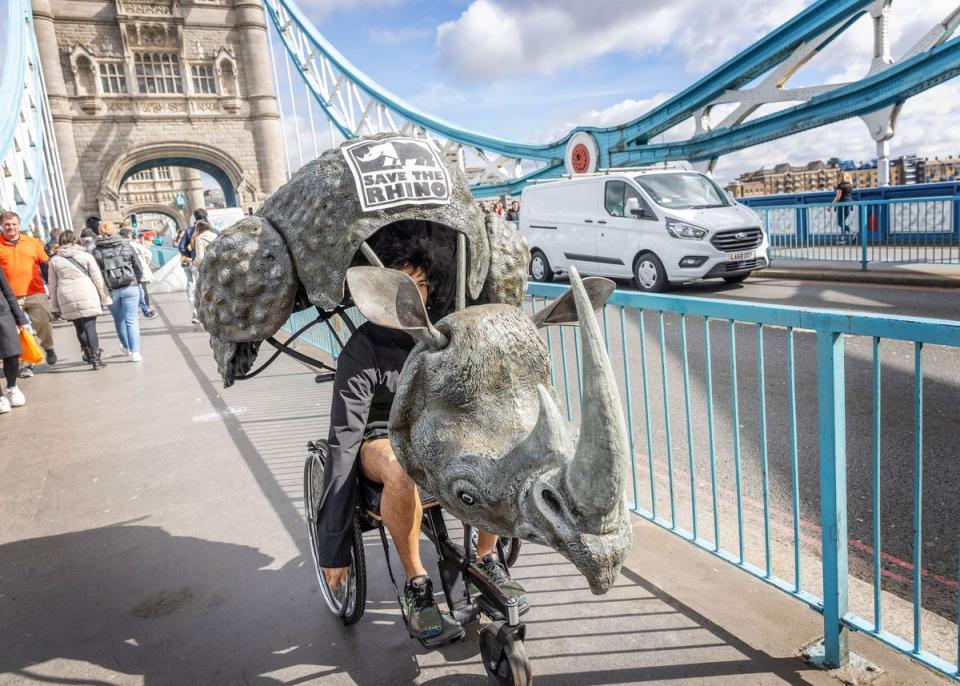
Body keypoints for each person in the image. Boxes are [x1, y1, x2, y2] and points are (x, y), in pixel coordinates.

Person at [316, 244, 526, 641]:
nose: (417, 295)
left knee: (495, 447)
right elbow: (343, 442)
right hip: (379, 438)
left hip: (435, 433)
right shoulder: (362, 349)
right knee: (401, 468)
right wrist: (333, 547)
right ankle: (417, 584)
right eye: (403, 286)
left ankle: (485, 559)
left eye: (422, 285)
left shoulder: (444, 334)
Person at [0, 211, 57, 377]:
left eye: (13, 224)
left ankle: (48, 347)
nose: (10, 227)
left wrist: (52, 289)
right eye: (7, 224)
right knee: (19, 331)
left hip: (35, 292)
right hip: (10, 297)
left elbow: (46, 266)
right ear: (2, 225)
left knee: (43, 324)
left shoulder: (32, 243)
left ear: (19, 225)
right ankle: (26, 364)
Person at [47, 230, 110, 370]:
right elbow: (97, 278)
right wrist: (104, 297)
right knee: (90, 326)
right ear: (75, 240)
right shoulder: (86, 256)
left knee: (78, 326)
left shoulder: (54, 260)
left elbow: (52, 285)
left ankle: (87, 353)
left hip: (65, 293)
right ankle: (95, 357)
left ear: (60, 242)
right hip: (87, 291)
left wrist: (55, 306)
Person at [93, 223, 144, 362]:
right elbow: (137, 265)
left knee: (119, 320)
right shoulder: (126, 245)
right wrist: (137, 281)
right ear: (114, 231)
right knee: (132, 319)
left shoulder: (97, 250)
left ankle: (126, 347)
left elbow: (96, 272)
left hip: (111, 288)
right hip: (130, 285)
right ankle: (135, 352)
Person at [0, 267, 29, 413]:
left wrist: (20, 318)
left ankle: (12, 386)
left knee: (12, 354)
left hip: (2, 315)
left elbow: (8, 292)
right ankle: (0, 397)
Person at [120, 228, 157, 319]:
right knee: (142, 291)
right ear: (128, 235)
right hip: (138, 271)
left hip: (126, 273)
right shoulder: (134, 244)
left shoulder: (119, 245)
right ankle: (146, 310)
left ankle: (135, 311)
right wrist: (145, 264)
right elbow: (148, 254)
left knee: (133, 292)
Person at [179, 208, 208, 323]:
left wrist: (191, 255)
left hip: (197, 264)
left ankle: (196, 314)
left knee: (199, 289)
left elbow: (181, 247)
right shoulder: (213, 230)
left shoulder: (190, 231)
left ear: (195, 217)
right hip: (212, 264)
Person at [188, 219, 216, 324]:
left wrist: (193, 263)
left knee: (199, 292)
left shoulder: (200, 238)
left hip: (206, 270)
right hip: (217, 268)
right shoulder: (215, 235)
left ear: (198, 229)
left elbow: (200, 258)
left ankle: (197, 316)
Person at [833, 172, 854, 244]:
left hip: (841, 205)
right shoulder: (850, 185)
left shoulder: (840, 185)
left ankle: (851, 232)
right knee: (843, 222)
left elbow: (838, 197)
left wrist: (831, 205)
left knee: (840, 222)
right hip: (849, 204)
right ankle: (843, 238)